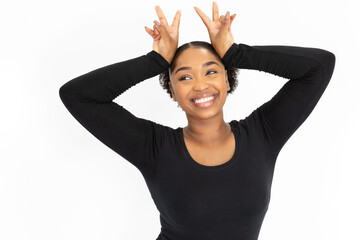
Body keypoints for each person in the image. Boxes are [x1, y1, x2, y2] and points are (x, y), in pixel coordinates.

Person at [59, 2, 336, 240]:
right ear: (174, 92)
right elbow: (77, 96)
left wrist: (236, 53)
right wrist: (155, 61)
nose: (201, 86)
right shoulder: (154, 147)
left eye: (211, 71)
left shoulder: (263, 133)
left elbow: (319, 66)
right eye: (185, 77)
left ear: (227, 80)